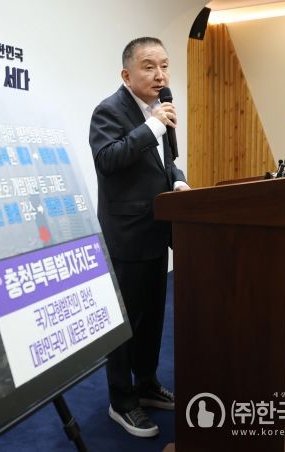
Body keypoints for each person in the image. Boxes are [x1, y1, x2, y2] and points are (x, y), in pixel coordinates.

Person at [89, 36, 190, 438]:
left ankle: (146, 385)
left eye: (164, 65)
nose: (160, 74)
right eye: (149, 66)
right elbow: (107, 160)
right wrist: (151, 127)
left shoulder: (160, 109)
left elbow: (168, 162)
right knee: (125, 325)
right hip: (126, 237)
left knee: (151, 319)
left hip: (157, 231)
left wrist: (178, 181)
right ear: (126, 74)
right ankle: (121, 400)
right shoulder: (109, 111)